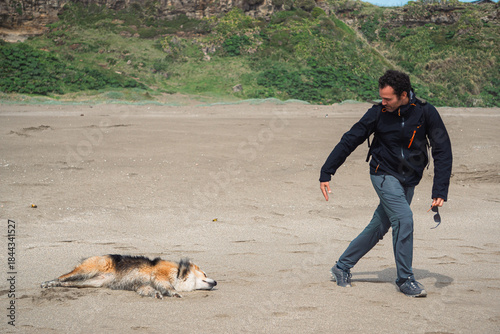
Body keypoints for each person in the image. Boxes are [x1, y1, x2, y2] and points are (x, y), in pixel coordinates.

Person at [319, 70, 452, 297]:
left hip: (409, 179)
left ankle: (341, 267)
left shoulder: (425, 112)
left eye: (388, 98)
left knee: (379, 226)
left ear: (403, 94)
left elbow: (442, 149)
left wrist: (440, 189)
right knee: (404, 218)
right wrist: (326, 171)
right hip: (383, 173)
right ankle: (405, 279)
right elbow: (350, 139)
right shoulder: (377, 113)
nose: (383, 102)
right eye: (381, 97)